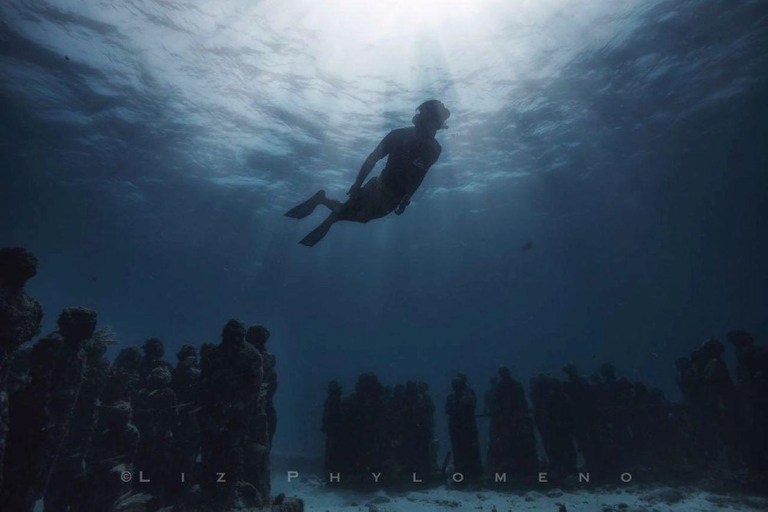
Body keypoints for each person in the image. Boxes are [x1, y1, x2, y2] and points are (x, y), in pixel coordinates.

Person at [285, 99, 450, 246]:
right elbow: (373, 158)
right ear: (427, 118)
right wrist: (357, 183)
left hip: (390, 196)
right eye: (435, 119)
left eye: (438, 121)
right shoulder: (400, 136)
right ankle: (331, 212)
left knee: (357, 216)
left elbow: (419, 176)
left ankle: (324, 203)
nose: (435, 124)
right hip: (379, 189)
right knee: (360, 216)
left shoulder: (433, 149)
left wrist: (405, 200)